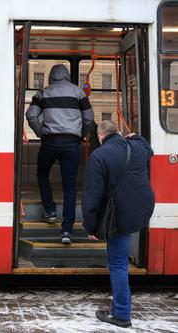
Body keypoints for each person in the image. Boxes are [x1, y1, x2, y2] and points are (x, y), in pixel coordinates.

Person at [82, 120, 155, 328]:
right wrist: (134, 137)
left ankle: (121, 313)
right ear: (119, 133)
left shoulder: (99, 156)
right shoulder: (138, 147)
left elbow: (92, 196)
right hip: (141, 209)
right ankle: (119, 308)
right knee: (119, 259)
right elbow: (148, 148)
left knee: (118, 263)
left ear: (101, 137)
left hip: (120, 215)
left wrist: (91, 227)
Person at [26, 64, 94, 244]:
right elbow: (89, 118)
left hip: (49, 141)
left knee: (42, 174)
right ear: (67, 76)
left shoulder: (43, 93)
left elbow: (31, 115)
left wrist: (41, 132)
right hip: (71, 142)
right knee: (69, 186)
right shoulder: (79, 93)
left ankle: (50, 211)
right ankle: (66, 231)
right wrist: (81, 135)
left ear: (51, 77)